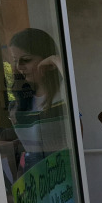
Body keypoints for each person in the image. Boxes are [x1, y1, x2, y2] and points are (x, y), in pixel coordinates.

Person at [8, 28, 68, 170]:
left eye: (26, 60)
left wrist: (56, 60)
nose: (19, 67)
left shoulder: (63, 94)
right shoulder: (20, 102)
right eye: (16, 61)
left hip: (62, 173)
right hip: (33, 175)